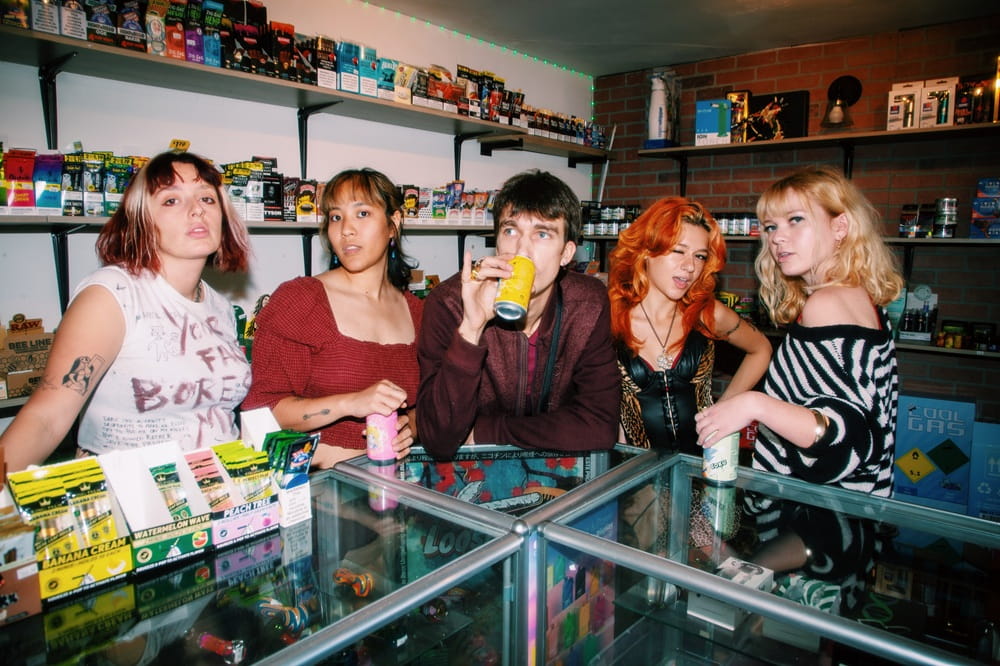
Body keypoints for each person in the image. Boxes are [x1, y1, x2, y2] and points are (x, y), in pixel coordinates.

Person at [694, 165, 904, 601]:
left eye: (796, 220)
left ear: (840, 227)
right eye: (771, 226)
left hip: (819, 531)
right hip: (846, 531)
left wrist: (753, 404)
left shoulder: (827, 304)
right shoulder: (857, 296)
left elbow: (847, 440)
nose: (778, 238)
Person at [0, 151, 252, 473]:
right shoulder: (112, 295)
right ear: (141, 219)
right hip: (132, 492)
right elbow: (46, 418)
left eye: (207, 198)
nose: (197, 210)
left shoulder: (219, 307)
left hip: (216, 486)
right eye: (171, 200)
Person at [416, 169, 620, 458]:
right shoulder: (449, 303)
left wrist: (487, 432)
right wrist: (471, 329)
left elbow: (599, 426)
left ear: (566, 253)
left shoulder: (588, 302)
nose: (522, 251)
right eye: (510, 231)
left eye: (542, 234)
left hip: (557, 471)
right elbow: (438, 439)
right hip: (470, 475)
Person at [243, 168, 421, 469]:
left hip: (396, 480)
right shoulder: (301, 301)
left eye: (362, 214)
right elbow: (264, 409)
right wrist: (350, 403)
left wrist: (412, 426)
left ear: (394, 223)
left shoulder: (416, 311)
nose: (346, 230)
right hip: (319, 484)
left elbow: (426, 402)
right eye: (336, 217)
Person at [608, 196, 771, 453]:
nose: (690, 267)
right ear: (647, 250)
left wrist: (725, 409)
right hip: (636, 467)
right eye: (678, 251)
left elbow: (761, 349)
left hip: (703, 463)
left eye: (700, 256)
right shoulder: (611, 319)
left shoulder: (708, 314)